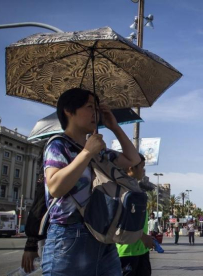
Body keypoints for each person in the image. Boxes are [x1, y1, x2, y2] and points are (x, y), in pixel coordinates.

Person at [41, 88, 142, 276]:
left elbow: (133, 160)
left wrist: (114, 126)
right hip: (69, 236)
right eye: (89, 107)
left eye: (97, 108)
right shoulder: (58, 145)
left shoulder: (99, 150)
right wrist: (86, 153)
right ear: (69, 111)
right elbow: (55, 187)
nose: (95, 113)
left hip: (101, 233)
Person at [117, 153, 154, 276]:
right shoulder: (120, 190)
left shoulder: (136, 189)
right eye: (142, 167)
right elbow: (121, 220)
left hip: (141, 250)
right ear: (130, 168)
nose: (144, 171)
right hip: (127, 252)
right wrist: (143, 237)